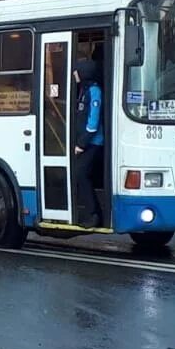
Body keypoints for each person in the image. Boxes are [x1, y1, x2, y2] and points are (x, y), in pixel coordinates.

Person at [73, 59, 104, 228]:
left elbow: (93, 123)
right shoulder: (84, 90)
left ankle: (93, 214)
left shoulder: (94, 91)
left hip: (93, 143)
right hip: (85, 142)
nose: (74, 74)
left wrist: (81, 144)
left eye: (76, 70)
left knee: (81, 174)